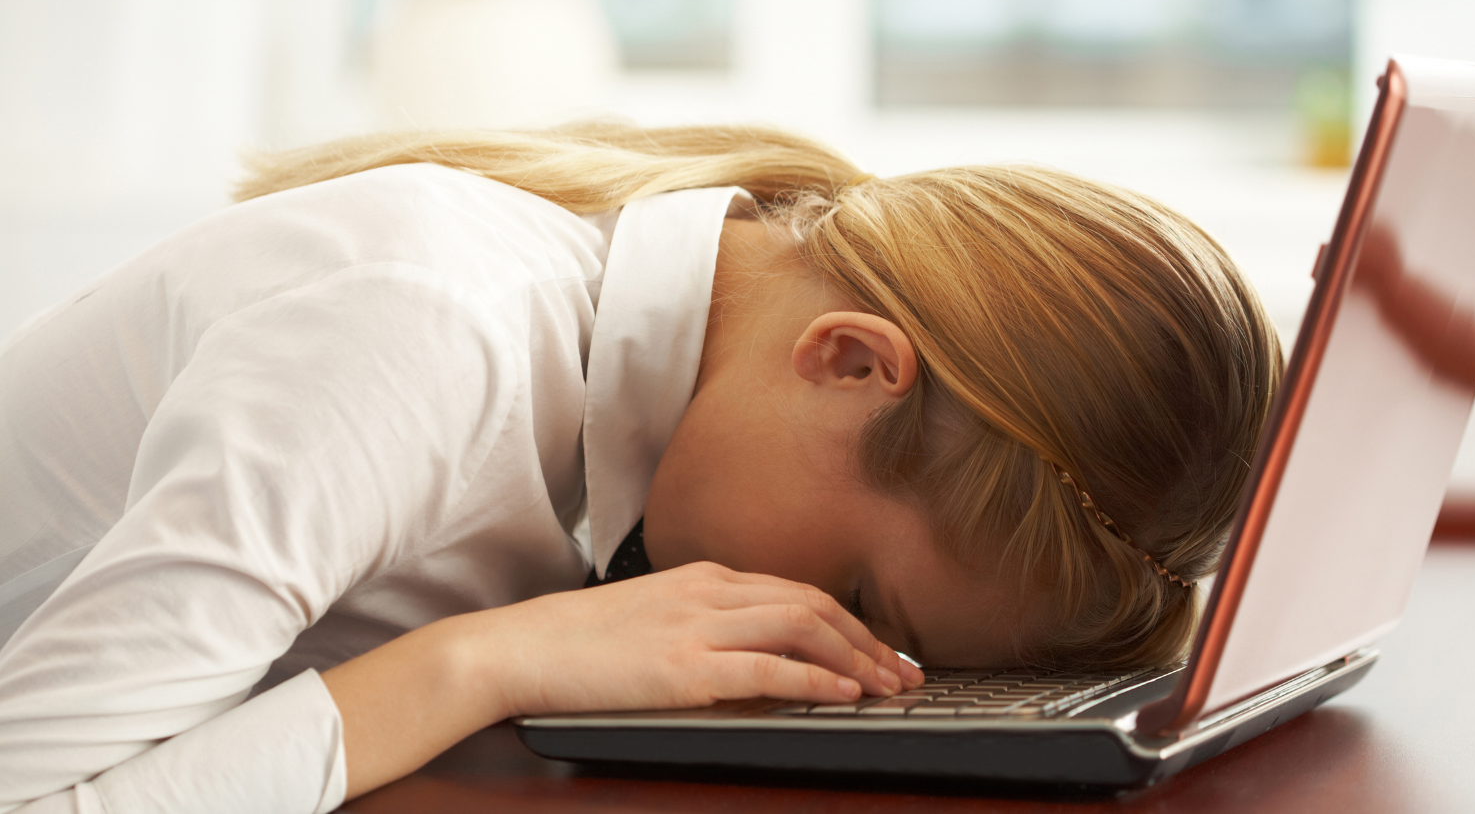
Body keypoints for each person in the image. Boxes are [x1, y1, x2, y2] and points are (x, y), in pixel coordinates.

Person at [0, 123, 1280, 812]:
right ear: (847, 362)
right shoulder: (424, 333)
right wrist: (483, 662)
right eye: (864, 599)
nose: (838, 647)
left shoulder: (618, 368)